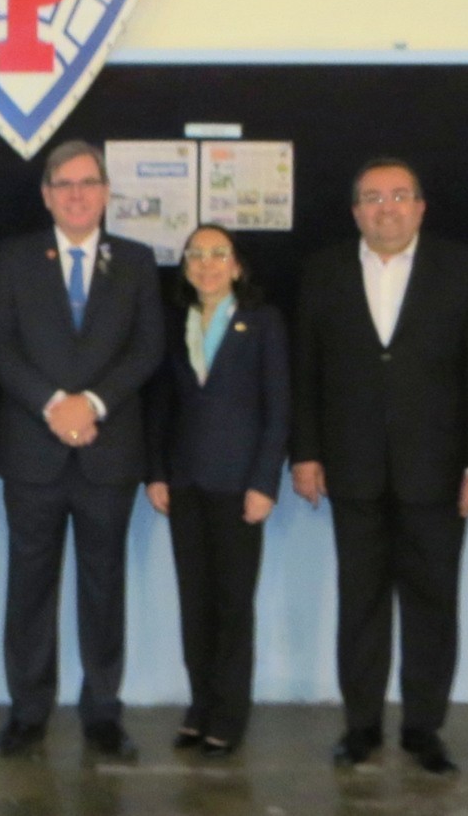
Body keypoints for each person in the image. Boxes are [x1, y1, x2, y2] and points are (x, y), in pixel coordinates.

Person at [291, 157, 468, 774]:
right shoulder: (323, 271)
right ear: (356, 210)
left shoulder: (466, 270)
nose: (385, 208)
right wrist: (305, 452)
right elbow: (305, 372)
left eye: (398, 196)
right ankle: (360, 726)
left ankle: (423, 729)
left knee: (432, 605)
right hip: (351, 470)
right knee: (359, 604)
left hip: (438, 474)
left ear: (420, 206)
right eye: (372, 198)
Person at [0, 139, 164, 761]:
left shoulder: (136, 261)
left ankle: (103, 713)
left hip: (107, 452)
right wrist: (55, 404)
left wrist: (93, 404)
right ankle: (28, 711)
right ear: (47, 195)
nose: (77, 195)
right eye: (65, 184)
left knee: (103, 585)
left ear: (107, 192)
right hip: (34, 451)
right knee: (29, 587)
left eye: (89, 183)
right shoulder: (14, 258)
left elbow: (147, 349)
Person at [145, 223, 289, 758]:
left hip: (239, 486)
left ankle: (229, 714)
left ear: (237, 265)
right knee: (195, 602)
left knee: (232, 604)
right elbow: (160, 405)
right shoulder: (174, 322)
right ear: (185, 267)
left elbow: (278, 410)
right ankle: (200, 707)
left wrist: (264, 482)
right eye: (196, 255)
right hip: (185, 482)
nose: (206, 263)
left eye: (217, 254)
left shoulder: (263, 322)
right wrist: (155, 473)